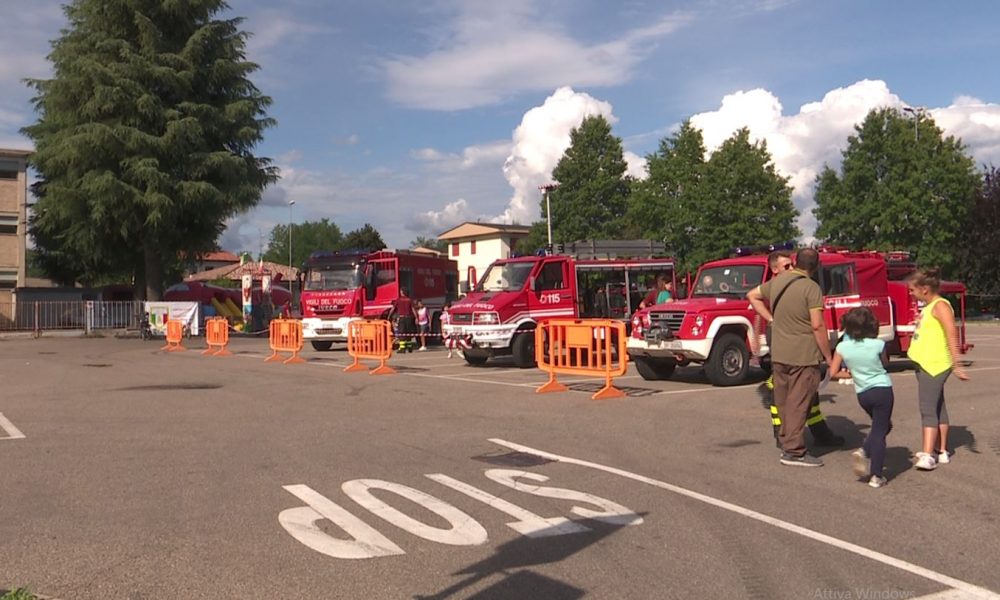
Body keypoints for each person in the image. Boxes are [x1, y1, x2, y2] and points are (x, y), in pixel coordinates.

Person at [747, 247, 833, 467]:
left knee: (783, 400)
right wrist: (829, 356)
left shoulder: (778, 282)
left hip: (780, 353)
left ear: (795, 262)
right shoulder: (811, 288)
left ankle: (786, 442)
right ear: (816, 266)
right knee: (799, 401)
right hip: (803, 355)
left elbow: (752, 295)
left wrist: (771, 318)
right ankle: (794, 451)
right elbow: (817, 325)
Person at [906, 267, 969, 471]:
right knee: (938, 406)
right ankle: (941, 451)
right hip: (926, 363)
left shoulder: (940, 306)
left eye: (912, 290)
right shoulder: (930, 306)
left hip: (933, 365)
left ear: (925, 289)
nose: (910, 293)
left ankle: (928, 454)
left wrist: (957, 364)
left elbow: (952, 334)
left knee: (927, 409)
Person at [828, 307, 895, 488]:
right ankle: (876, 475)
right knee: (880, 432)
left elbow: (833, 372)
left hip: (863, 393)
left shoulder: (842, 347)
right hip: (882, 390)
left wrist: (851, 374)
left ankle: (866, 449)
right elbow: (885, 363)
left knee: (883, 425)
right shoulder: (878, 344)